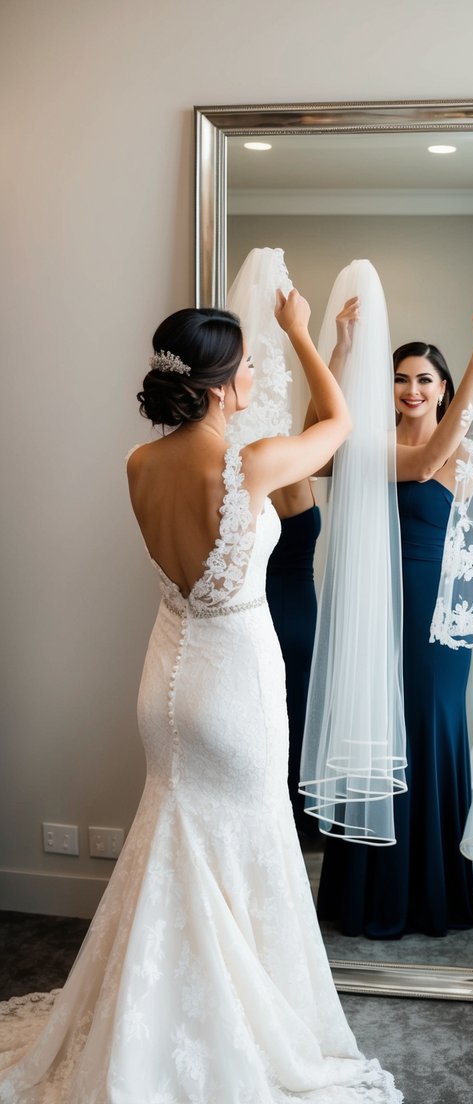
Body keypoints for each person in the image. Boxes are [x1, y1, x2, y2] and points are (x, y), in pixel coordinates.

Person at [0, 295, 402, 1103]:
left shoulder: (137, 464)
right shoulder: (247, 466)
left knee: (173, 835)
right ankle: (231, 1022)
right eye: (249, 362)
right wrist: (305, 331)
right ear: (221, 383)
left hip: (165, 679)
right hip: (232, 682)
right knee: (243, 849)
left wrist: (280, 341)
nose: (256, 374)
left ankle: (152, 1009)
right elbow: (340, 423)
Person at [316, 294, 473, 939]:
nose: (412, 388)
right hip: (378, 611)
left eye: (425, 378)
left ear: (445, 389)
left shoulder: (469, 455)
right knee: (376, 729)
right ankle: (372, 891)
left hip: (438, 618)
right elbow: (332, 429)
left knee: (431, 727)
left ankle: (435, 891)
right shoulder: (372, 447)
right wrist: (338, 349)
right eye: (401, 378)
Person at [266, 478, 322, 843]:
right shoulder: (296, 467)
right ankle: (301, 817)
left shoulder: (241, 470)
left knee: (273, 716)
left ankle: (284, 817)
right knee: (299, 712)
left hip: (268, 605)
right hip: (300, 609)